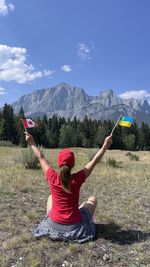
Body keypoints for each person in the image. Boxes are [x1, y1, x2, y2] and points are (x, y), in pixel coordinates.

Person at [25, 132, 113, 243]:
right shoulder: (78, 178)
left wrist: (32, 142)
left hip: (53, 225)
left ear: (59, 164)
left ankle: (53, 217)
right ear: (73, 164)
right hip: (75, 227)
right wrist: (105, 146)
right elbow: (94, 161)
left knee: (50, 197)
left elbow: (40, 157)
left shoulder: (52, 177)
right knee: (92, 199)